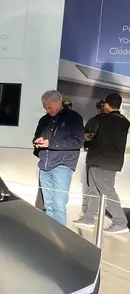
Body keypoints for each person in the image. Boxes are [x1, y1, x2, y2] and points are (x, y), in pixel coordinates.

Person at [74, 92, 129, 234]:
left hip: (100, 161)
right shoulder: (124, 121)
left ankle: (120, 222)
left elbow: (99, 140)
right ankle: (89, 218)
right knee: (95, 189)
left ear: (107, 104)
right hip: (109, 162)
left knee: (107, 191)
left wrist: (88, 139)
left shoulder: (104, 120)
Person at [33, 90, 84, 225]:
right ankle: (50, 233)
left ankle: (60, 235)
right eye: (45, 107)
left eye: (49, 107)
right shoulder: (44, 119)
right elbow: (37, 136)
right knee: (48, 205)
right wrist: (37, 142)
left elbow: (78, 141)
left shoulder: (74, 118)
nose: (47, 110)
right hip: (44, 166)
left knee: (59, 205)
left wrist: (51, 143)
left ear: (59, 102)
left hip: (62, 166)